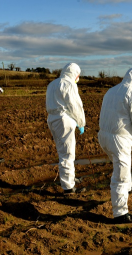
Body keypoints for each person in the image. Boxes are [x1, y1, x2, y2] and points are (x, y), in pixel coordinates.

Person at [98, 67, 132, 224]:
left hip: (104, 136)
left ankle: (127, 189)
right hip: (120, 139)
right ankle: (120, 213)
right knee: (121, 175)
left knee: (121, 167)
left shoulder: (111, 91)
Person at [46, 62, 86, 194]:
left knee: (62, 150)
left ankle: (70, 178)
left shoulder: (52, 84)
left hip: (52, 119)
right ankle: (68, 187)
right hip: (64, 120)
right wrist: (81, 122)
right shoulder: (69, 84)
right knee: (67, 154)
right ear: (75, 74)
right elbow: (75, 106)